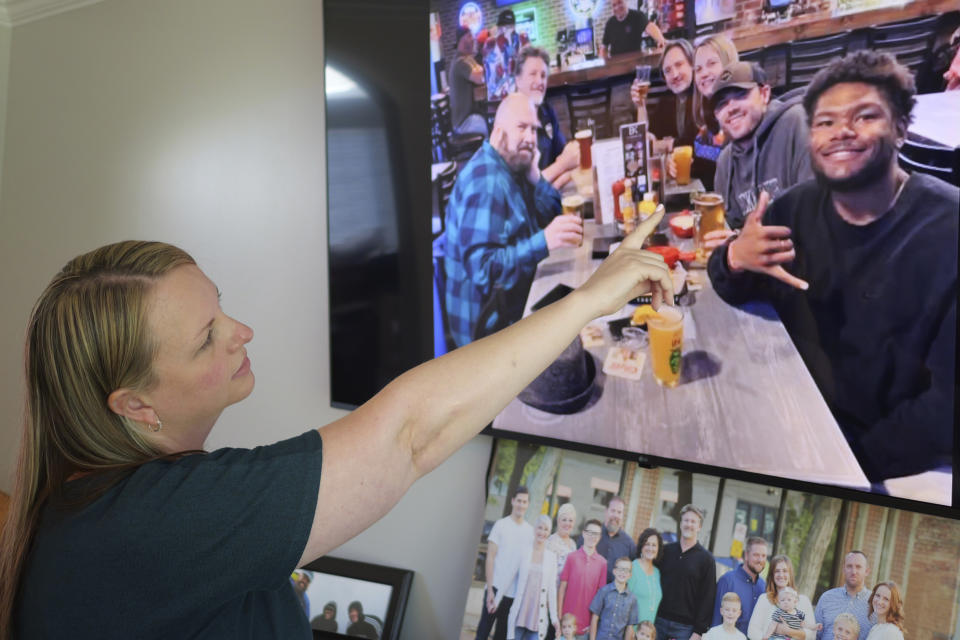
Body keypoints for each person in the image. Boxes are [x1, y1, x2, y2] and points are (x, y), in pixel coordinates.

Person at [1, 219, 674, 635]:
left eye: (222, 309)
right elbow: (408, 436)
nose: (243, 333)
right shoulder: (150, 526)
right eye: (207, 339)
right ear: (135, 407)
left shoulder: (88, 509)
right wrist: (589, 298)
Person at [706, 51, 957, 482]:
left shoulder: (947, 232)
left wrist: (839, 462)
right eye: (825, 122)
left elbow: (945, 414)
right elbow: (729, 282)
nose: (841, 132)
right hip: (795, 414)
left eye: (864, 116)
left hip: (886, 463)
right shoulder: (796, 207)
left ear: (900, 127)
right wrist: (734, 257)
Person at [444, 92, 585, 347]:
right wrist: (543, 241)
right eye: (522, 128)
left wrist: (535, 177)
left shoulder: (511, 165)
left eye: (534, 130)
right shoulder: (486, 182)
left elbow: (552, 213)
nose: (530, 138)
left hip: (514, 299)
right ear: (498, 132)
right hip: (488, 333)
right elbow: (484, 273)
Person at [708, 61, 813, 234]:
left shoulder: (796, 124)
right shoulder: (725, 162)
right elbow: (731, 228)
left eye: (741, 94)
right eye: (722, 104)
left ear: (764, 94)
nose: (731, 108)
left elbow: (815, 215)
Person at [513, 46, 580, 189]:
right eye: (533, 74)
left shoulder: (546, 112)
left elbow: (564, 157)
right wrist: (561, 166)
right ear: (518, 80)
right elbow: (524, 190)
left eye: (543, 75)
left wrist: (567, 162)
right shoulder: (511, 123)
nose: (540, 82)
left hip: (549, 196)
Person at [477, 486, 536, 640]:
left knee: (502, 636)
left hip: (513, 595)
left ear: (528, 504)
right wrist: (490, 590)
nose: (521, 505)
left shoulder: (530, 532)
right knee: (482, 633)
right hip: (494, 588)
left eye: (524, 502)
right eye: (519, 501)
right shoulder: (501, 525)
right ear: (512, 501)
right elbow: (490, 558)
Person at [655, 504, 716, 640]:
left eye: (693, 521)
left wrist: (698, 632)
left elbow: (708, 598)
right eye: (686, 520)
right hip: (658, 621)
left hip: (685, 629)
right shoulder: (665, 551)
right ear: (681, 523)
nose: (689, 524)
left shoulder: (706, 559)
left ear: (699, 527)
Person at [631, 39, 698, 157]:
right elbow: (649, 139)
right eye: (668, 71)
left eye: (679, 65)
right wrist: (641, 105)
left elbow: (709, 151)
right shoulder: (668, 99)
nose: (675, 75)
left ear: (692, 64)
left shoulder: (703, 95)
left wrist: (668, 145)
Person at [691, 34, 739, 190]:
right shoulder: (708, 116)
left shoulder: (741, 113)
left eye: (711, 63)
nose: (704, 73)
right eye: (698, 69)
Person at [502, 514, 561, 640]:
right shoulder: (524, 551)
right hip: (520, 614)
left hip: (537, 618)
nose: (542, 532)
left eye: (546, 529)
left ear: (549, 532)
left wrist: (554, 617)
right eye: (540, 528)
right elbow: (509, 576)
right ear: (535, 530)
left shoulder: (551, 558)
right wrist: (496, 599)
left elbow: (552, 590)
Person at [559, 519, 609, 640]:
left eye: (596, 534)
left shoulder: (602, 563)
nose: (592, 536)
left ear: (600, 537)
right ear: (583, 533)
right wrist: (559, 617)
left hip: (585, 627)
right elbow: (562, 588)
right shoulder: (572, 557)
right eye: (590, 532)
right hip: (566, 625)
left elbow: (600, 598)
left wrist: (593, 624)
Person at [747, 555, 816, 640]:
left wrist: (788, 631)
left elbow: (812, 634)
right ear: (772, 575)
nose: (781, 574)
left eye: (785, 571)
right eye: (777, 571)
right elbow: (752, 631)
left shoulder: (803, 601)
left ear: (790, 574)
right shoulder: (764, 599)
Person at [712, 537, 768, 634]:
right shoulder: (727, 581)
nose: (760, 559)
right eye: (756, 555)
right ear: (746, 555)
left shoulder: (764, 586)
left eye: (763, 556)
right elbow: (716, 620)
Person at [814, 551, 873, 640]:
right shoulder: (827, 598)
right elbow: (814, 635)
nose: (853, 571)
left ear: (867, 571)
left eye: (858, 567)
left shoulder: (874, 604)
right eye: (849, 566)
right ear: (843, 569)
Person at [579, 496, 636, 583]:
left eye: (619, 512)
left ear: (623, 515)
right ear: (606, 511)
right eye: (613, 511)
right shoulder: (590, 534)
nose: (616, 515)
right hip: (587, 590)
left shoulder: (629, 544)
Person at [450, 25, 489, 137]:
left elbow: (480, 71)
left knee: (490, 121)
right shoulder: (460, 62)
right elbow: (480, 78)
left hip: (470, 116)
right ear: (462, 40)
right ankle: (489, 154)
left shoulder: (468, 59)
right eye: (470, 36)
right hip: (463, 123)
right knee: (488, 127)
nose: (473, 39)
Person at [589, 557, 639, 640]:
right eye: (620, 569)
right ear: (614, 571)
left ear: (630, 575)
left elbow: (630, 627)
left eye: (626, 570)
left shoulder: (632, 599)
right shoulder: (603, 591)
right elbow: (594, 618)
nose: (622, 572)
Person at [601, 0, 666, 58]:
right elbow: (604, 48)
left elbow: (650, 27)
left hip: (635, 62)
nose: (617, 7)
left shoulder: (637, 16)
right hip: (617, 66)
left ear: (626, 1)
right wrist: (604, 64)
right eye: (614, 5)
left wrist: (661, 40)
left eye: (620, 2)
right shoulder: (610, 24)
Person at [626, 528, 663, 623]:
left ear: (658, 549)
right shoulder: (632, 568)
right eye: (647, 544)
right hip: (631, 630)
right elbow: (624, 603)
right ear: (641, 546)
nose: (650, 548)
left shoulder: (657, 573)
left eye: (654, 545)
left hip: (647, 633)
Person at [546, 503, 579, 589]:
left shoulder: (573, 544)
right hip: (551, 591)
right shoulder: (550, 542)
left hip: (566, 592)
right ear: (558, 521)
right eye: (564, 520)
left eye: (570, 520)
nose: (567, 523)